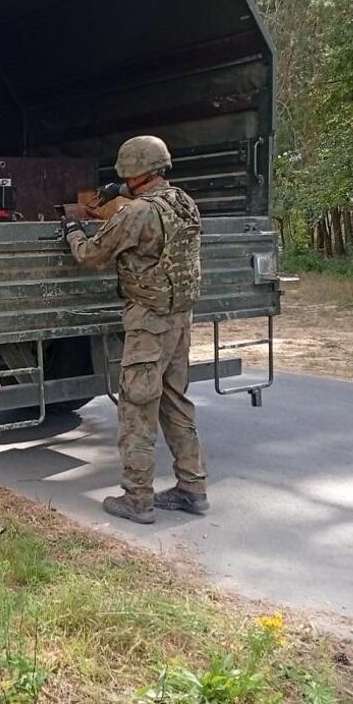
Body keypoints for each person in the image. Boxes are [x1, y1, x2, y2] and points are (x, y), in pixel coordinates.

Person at [62, 135, 208, 525]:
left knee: (137, 407)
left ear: (133, 171)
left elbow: (91, 254)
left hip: (149, 321)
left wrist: (74, 230)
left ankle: (137, 498)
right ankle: (192, 488)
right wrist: (116, 194)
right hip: (179, 319)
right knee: (176, 402)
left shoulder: (140, 212)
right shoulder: (183, 202)